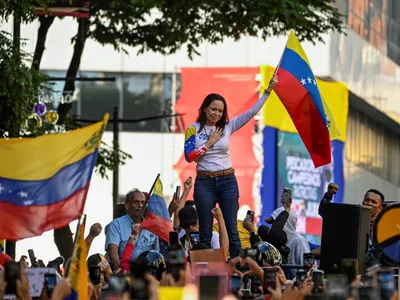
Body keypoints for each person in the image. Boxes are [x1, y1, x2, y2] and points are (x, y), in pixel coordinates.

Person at [183, 75, 278, 257]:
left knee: (232, 229)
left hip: (227, 180)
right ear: (204, 109)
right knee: (205, 231)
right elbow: (189, 156)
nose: (217, 114)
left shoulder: (227, 127)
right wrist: (209, 143)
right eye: (213, 109)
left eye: (220, 111)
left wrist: (268, 91)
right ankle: (206, 272)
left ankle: (236, 270)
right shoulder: (193, 129)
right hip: (205, 181)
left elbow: (251, 112)